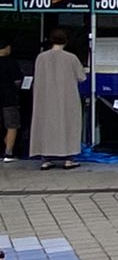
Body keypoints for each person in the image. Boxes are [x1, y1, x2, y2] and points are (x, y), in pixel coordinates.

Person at [31, 28, 86, 169]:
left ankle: (45, 158)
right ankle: (69, 158)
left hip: (45, 98)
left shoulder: (41, 57)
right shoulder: (71, 58)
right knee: (68, 125)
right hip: (67, 98)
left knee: (45, 126)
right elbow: (81, 77)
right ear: (66, 41)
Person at [0, 40, 22, 163]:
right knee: (11, 125)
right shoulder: (10, 62)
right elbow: (17, 81)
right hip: (9, 98)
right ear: (7, 47)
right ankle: (8, 153)